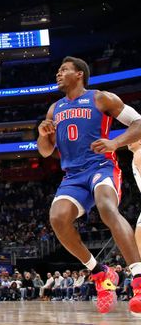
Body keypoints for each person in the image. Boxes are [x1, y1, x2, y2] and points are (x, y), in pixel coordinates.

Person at [37, 56, 141, 314]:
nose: (58, 74)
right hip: (72, 175)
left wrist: (115, 143)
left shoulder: (101, 98)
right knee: (57, 218)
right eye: (58, 71)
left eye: (64, 70)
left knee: (107, 207)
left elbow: (138, 122)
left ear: (79, 74)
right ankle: (99, 273)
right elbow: (46, 152)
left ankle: (138, 279)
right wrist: (43, 136)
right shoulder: (54, 109)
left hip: (101, 167)